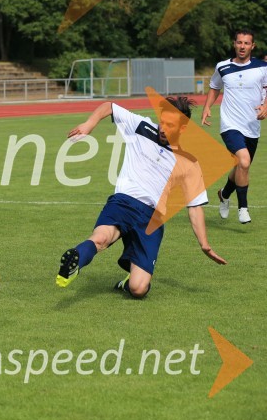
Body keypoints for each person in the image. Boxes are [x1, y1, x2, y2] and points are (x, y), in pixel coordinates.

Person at [56, 97, 226, 298]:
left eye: (170, 125)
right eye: (162, 122)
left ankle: (127, 282)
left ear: (182, 128)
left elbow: (195, 206)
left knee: (139, 289)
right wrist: (89, 124)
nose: (162, 129)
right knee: (101, 238)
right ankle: (74, 264)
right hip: (123, 202)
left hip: (151, 220)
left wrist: (204, 244)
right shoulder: (141, 126)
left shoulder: (188, 161)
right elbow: (109, 106)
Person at [201, 29, 267, 224]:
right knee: (244, 161)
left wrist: (265, 106)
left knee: (240, 165)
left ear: (252, 46)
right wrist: (206, 108)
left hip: (252, 125)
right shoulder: (222, 67)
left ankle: (224, 194)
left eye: (246, 43)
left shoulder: (262, 67)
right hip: (230, 124)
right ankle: (243, 208)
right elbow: (214, 87)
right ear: (234, 44)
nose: (242, 46)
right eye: (239, 42)